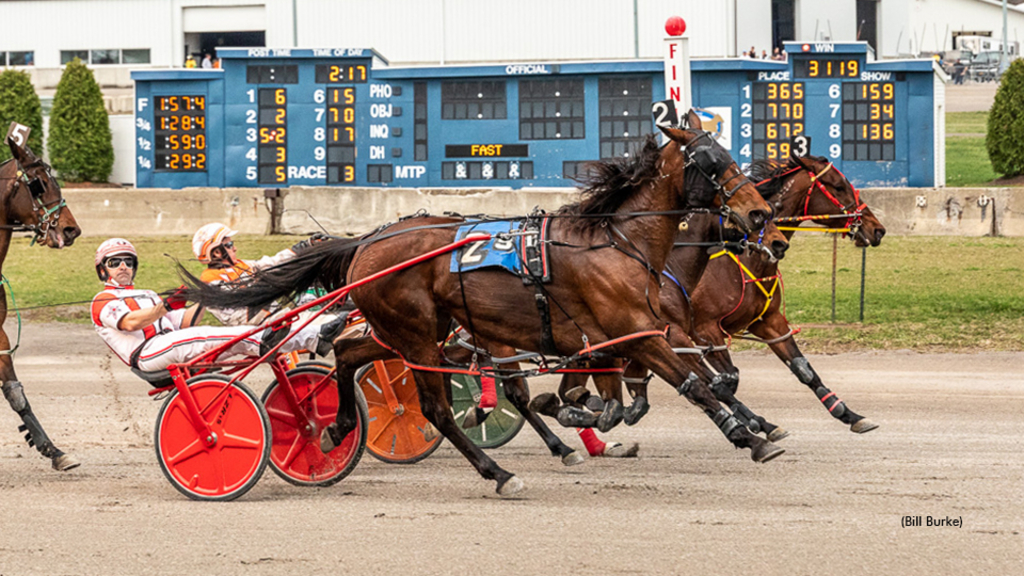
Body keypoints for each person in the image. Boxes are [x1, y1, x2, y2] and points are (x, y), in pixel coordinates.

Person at [91, 238, 343, 377]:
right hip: (148, 354)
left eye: (128, 261)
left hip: (171, 344)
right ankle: (278, 339)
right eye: (115, 262)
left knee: (231, 338)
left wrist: (202, 295)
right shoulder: (102, 300)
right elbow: (131, 323)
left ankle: (313, 338)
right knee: (212, 335)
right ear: (103, 269)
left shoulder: (146, 294)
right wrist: (165, 306)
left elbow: (187, 322)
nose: (123, 266)